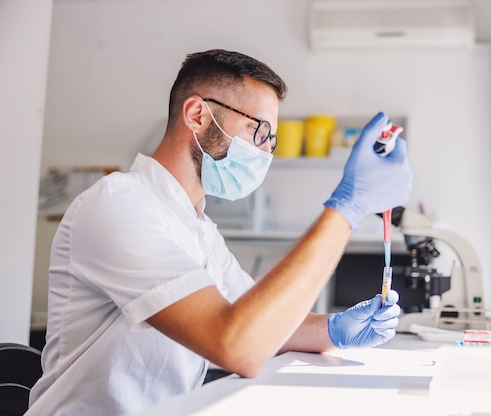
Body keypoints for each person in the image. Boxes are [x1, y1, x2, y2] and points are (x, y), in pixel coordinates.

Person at [26, 49, 413, 416]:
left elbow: (260, 324)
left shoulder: (199, 230)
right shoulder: (118, 204)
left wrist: (333, 329)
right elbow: (237, 345)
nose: (264, 152)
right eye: (257, 130)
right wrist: (347, 207)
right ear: (197, 115)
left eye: (270, 140)